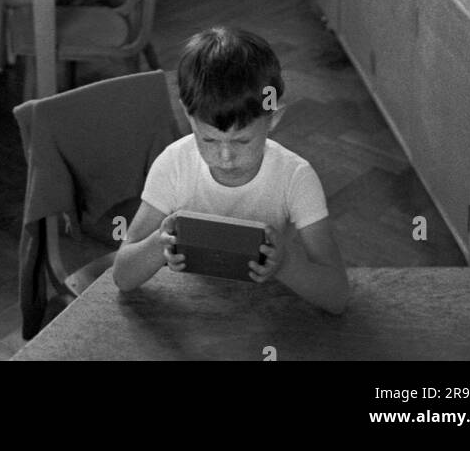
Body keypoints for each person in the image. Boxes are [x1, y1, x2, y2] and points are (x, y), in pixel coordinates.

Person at [113, 26, 349, 313]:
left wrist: (286, 264)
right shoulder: (173, 165)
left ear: (273, 117)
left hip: (265, 313)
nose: (225, 157)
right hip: (195, 315)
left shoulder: (296, 177)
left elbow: (337, 295)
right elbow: (123, 276)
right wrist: (158, 246)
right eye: (209, 139)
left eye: (241, 140)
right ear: (189, 116)